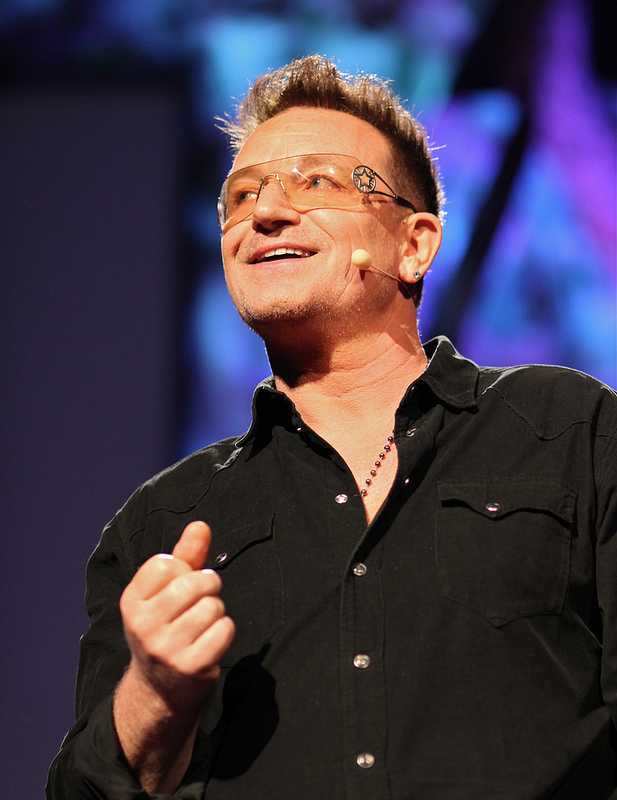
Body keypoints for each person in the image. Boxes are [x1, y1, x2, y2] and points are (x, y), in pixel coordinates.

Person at [47, 54, 617, 799]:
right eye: (240, 195)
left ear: (414, 244)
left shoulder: (569, 432)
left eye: (316, 182)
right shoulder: (161, 524)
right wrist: (152, 694)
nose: (264, 213)